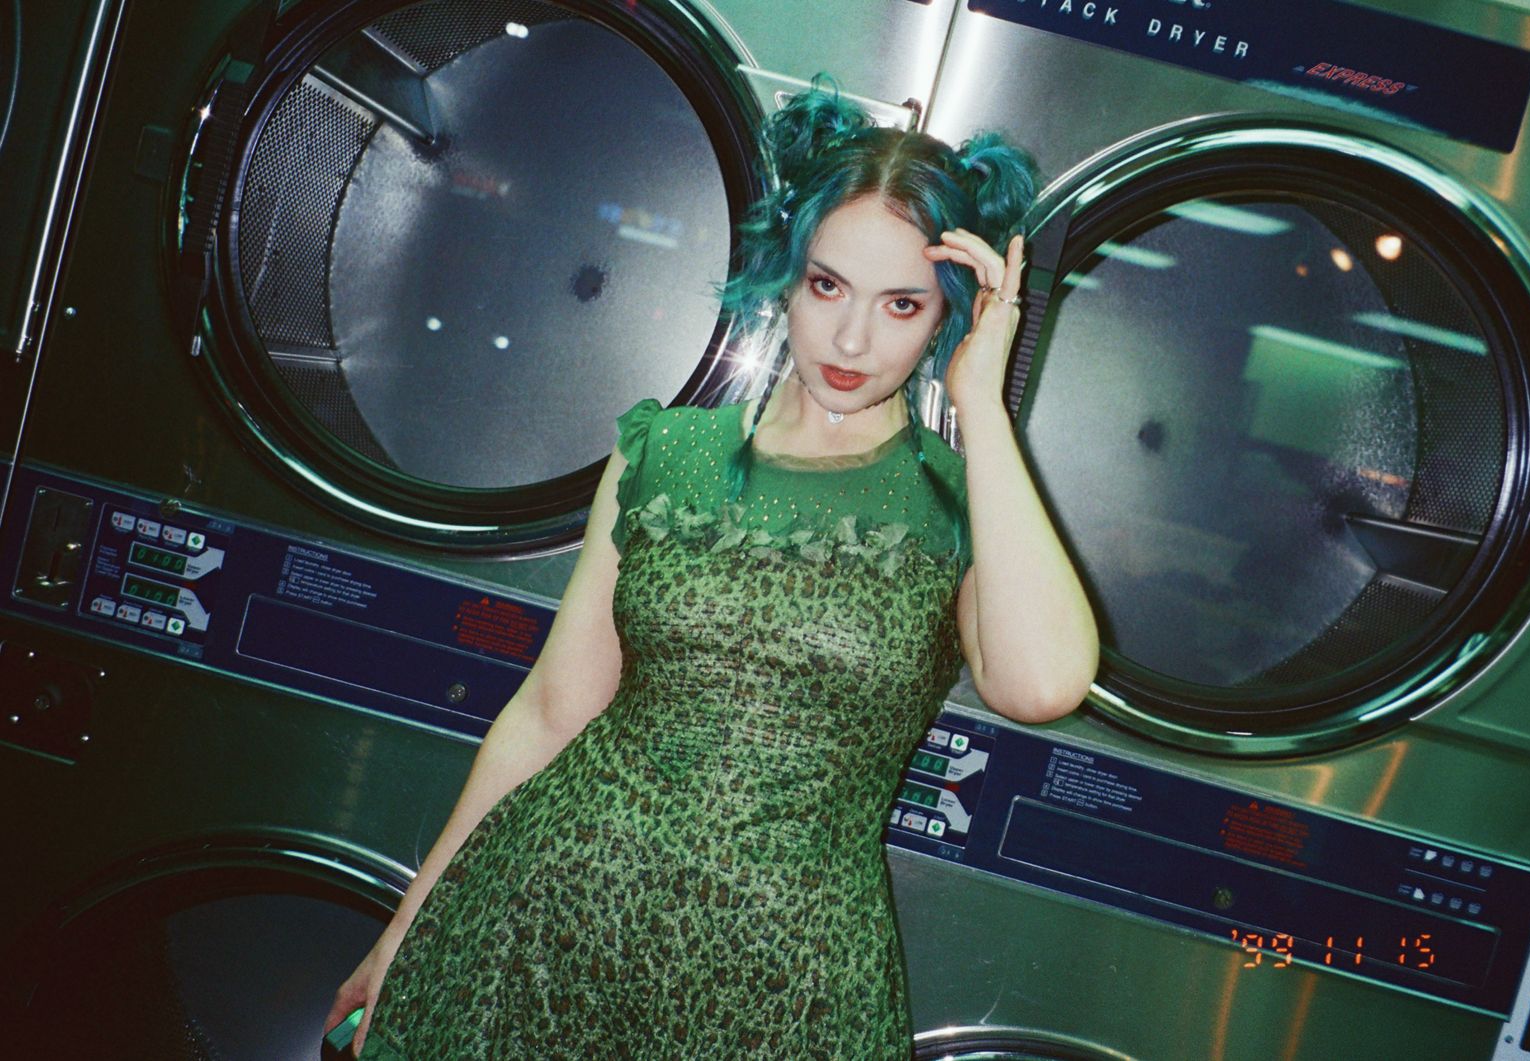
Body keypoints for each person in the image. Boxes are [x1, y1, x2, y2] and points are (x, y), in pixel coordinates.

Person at [325, 80, 1098, 1059]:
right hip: (548, 922)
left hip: (786, 980)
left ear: (948, 311)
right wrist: (406, 925)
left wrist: (981, 405)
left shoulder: (961, 502)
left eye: (902, 303)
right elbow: (552, 711)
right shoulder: (667, 452)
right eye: (826, 286)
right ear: (785, 276)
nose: (852, 340)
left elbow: (1041, 684)